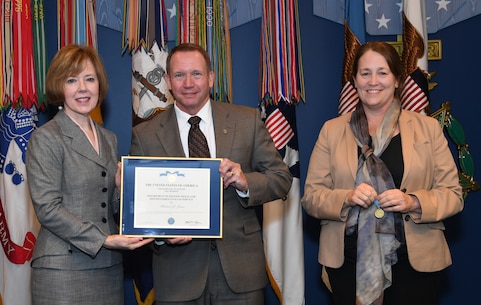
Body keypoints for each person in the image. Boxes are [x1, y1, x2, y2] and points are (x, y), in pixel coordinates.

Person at [301, 41, 463, 305]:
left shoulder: (428, 129)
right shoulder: (331, 130)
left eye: (382, 72)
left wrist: (413, 202)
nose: (373, 81)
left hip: (414, 261)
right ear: (354, 80)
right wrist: (347, 197)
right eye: (365, 73)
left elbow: (453, 195)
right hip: (348, 262)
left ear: (398, 79)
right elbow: (311, 197)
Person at [130, 43, 293, 305]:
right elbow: (136, 206)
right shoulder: (145, 135)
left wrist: (245, 182)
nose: (188, 83)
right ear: (168, 82)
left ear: (211, 78)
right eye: (179, 75)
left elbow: (282, 179)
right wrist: (160, 234)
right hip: (177, 277)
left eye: (196, 74)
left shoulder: (247, 121)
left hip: (240, 275)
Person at [26, 44, 153, 305]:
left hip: (108, 267)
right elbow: (48, 209)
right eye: (72, 80)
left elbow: (109, 206)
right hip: (62, 269)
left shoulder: (108, 139)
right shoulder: (46, 137)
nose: (83, 88)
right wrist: (103, 239)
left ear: (100, 85)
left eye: (90, 79)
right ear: (58, 87)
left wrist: (121, 189)